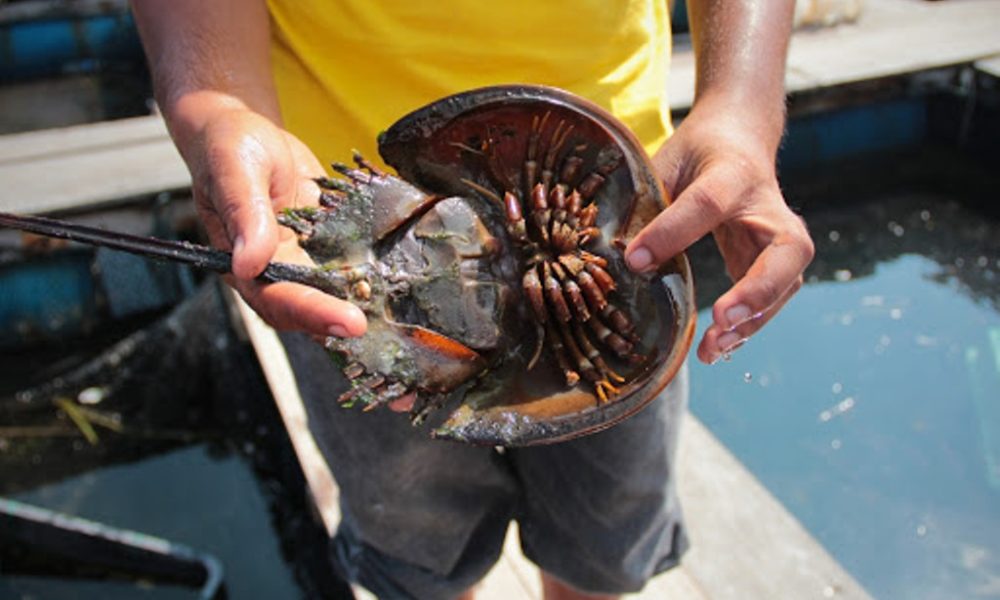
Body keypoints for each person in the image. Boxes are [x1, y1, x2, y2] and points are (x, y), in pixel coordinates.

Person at [131, 1, 814, 598]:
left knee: (605, 538)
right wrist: (216, 103)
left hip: (621, 185)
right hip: (332, 206)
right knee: (419, 549)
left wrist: (740, 103)